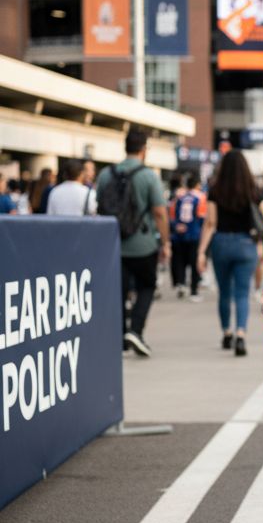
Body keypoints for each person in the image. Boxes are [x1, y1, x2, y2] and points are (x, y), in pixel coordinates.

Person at [96, 126, 170, 357]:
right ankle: (135, 331)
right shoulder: (148, 176)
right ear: (144, 150)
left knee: (118, 290)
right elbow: (159, 212)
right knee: (147, 285)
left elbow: (99, 207)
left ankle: (119, 336)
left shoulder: (106, 174)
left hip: (114, 243)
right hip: (143, 244)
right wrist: (165, 242)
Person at [197, 150, 260, 355]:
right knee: (242, 293)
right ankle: (241, 334)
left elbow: (210, 222)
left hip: (221, 244)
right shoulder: (253, 189)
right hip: (245, 244)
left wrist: (201, 252)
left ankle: (227, 333)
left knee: (225, 292)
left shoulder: (215, 190)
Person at [171, 174, 205, 300]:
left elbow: (173, 215)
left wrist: (176, 226)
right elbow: (202, 217)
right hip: (194, 234)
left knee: (180, 261)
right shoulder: (200, 197)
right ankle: (194, 291)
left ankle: (181, 284)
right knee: (194, 261)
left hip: (180, 233)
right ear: (197, 184)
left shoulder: (180, 197)